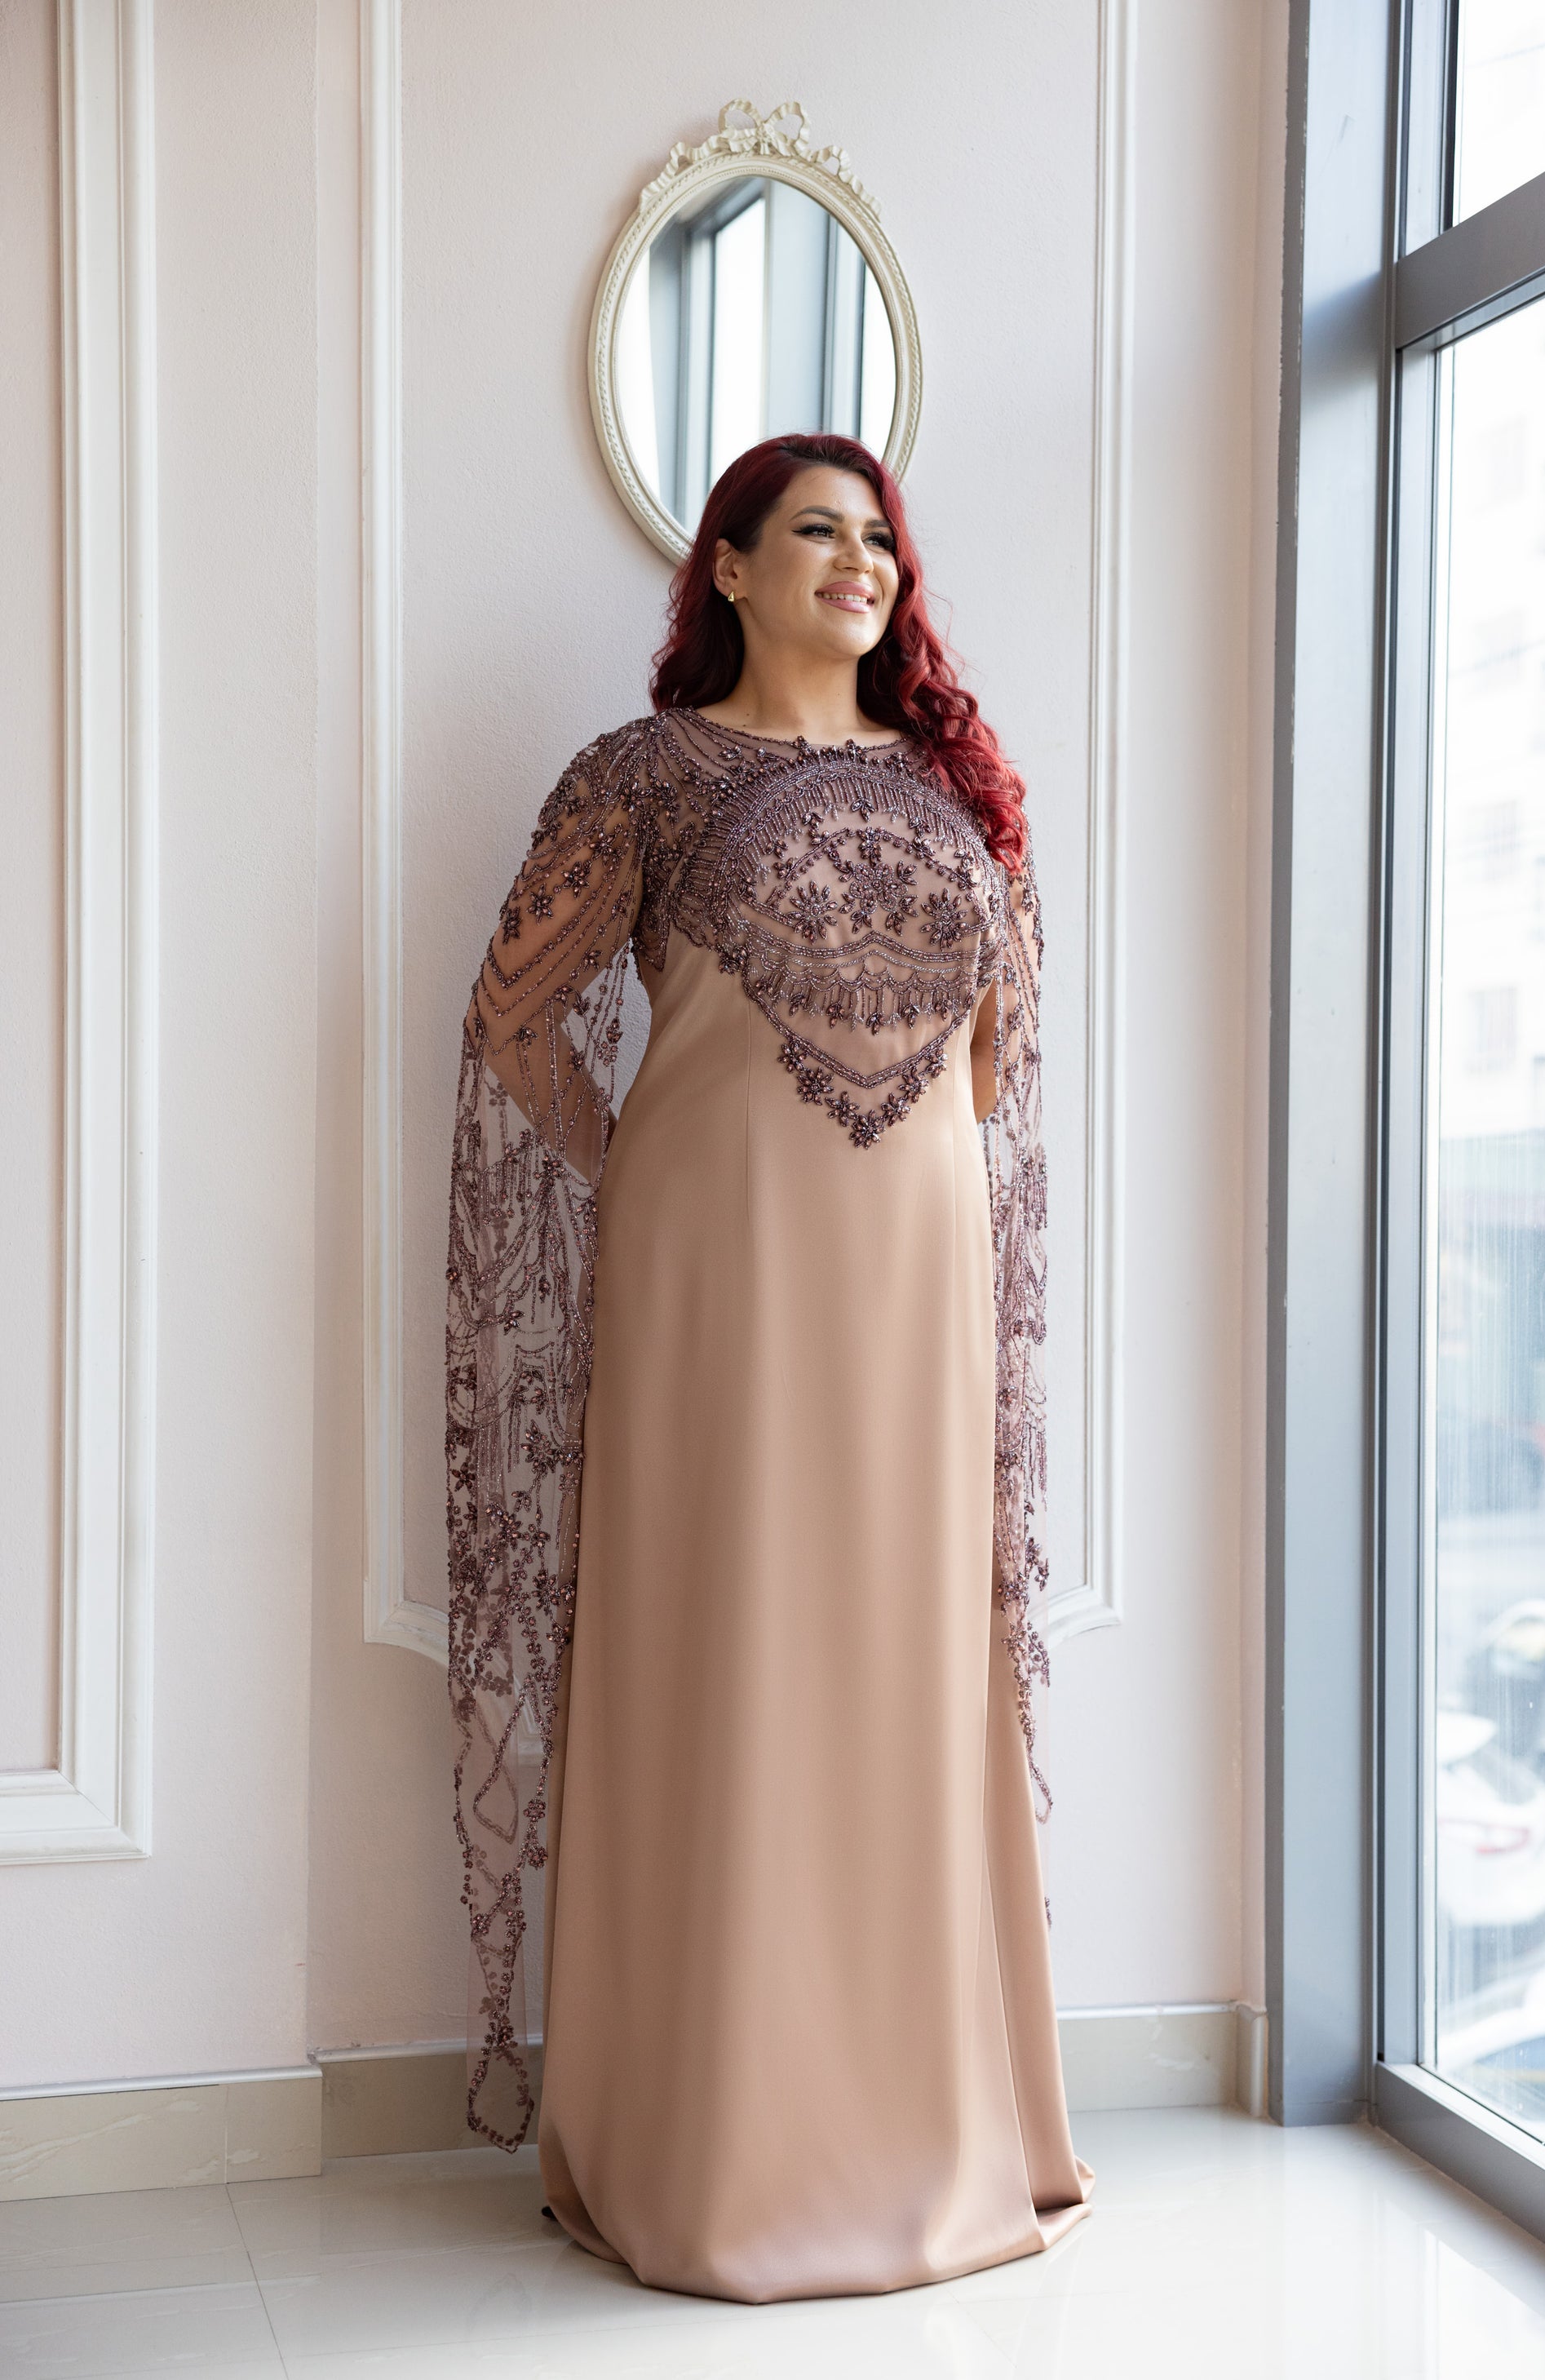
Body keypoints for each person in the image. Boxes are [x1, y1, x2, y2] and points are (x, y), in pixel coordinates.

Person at [445, 432, 1094, 2302]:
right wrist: (648, 1173)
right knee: (727, 1644)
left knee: (900, 1658)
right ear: (726, 567)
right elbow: (515, 1020)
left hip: (917, 1285)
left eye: (880, 536)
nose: (861, 560)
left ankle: (919, 2119)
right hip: (713, 1271)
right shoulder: (642, 776)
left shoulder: (960, 787)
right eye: (817, 530)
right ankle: (713, 2143)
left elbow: (995, 1061)